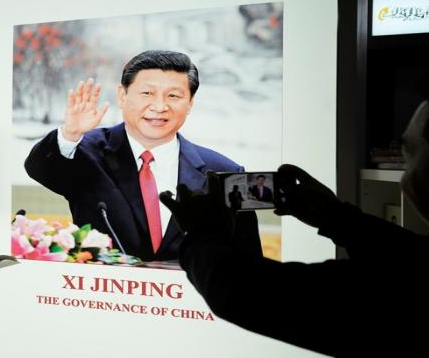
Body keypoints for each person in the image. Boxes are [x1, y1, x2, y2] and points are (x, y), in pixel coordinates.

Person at [160, 71, 429, 356]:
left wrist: (202, 232)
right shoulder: (427, 271)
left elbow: (242, 292)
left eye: (409, 156)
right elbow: (414, 258)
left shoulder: (414, 286)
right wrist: (337, 217)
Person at [24, 50, 260, 261]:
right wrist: (70, 133)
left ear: (190, 103)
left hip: (190, 306)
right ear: (122, 95)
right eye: (147, 93)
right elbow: (40, 169)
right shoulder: (86, 151)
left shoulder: (227, 172)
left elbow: (249, 260)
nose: (159, 106)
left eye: (174, 96)